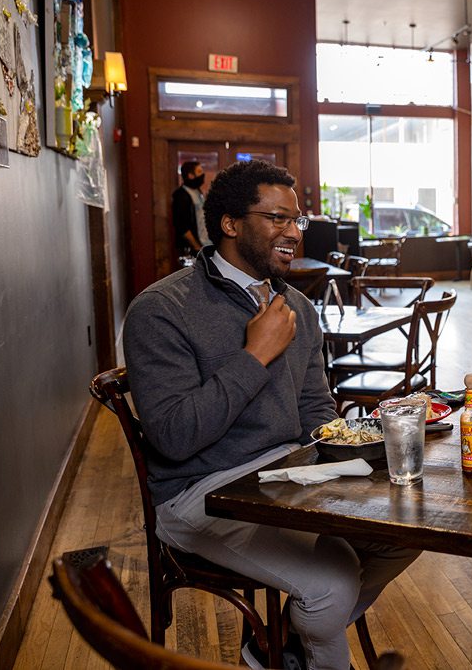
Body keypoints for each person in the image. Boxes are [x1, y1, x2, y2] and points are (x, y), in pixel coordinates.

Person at [124, 160, 419, 670]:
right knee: (332, 583)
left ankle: (277, 645)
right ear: (231, 224)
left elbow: (316, 412)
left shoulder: (298, 308)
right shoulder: (162, 309)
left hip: (290, 472)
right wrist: (253, 356)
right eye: (277, 219)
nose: (294, 234)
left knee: (408, 529)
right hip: (202, 493)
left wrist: (358, 452)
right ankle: (309, 648)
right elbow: (172, 438)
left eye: (297, 221)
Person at [171, 161, 209, 258]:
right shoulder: (181, 195)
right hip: (192, 249)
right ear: (191, 175)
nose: (202, 175)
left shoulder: (198, 191)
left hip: (205, 244)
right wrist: (196, 246)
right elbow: (181, 226)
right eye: (199, 172)